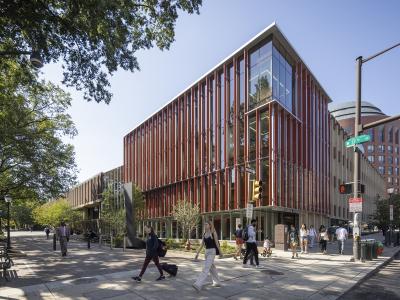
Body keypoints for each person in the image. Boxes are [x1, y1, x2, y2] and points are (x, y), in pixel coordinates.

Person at [193, 221, 223, 291]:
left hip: (212, 252)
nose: (205, 225)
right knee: (212, 268)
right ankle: (217, 282)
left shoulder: (213, 233)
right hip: (206, 252)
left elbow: (217, 243)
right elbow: (201, 245)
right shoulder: (204, 234)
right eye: (205, 224)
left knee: (206, 268)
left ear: (210, 225)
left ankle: (198, 284)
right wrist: (197, 253)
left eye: (206, 224)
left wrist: (221, 252)